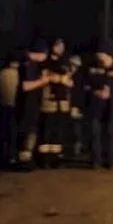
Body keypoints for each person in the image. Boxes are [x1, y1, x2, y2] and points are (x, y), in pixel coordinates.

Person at [83, 41, 113, 169]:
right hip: (95, 108)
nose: (100, 58)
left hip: (112, 109)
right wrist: (96, 92)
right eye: (98, 56)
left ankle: (110, 161)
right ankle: (96, 161)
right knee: (95, 134)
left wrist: (112, 95)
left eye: (102, 55)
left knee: (111, 135)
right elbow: (85, 87)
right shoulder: (92, 69)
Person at [38, 38, 74, 168]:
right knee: (46, 129)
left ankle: (56, 158)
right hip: (48, 101)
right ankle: (44, 158)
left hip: (62, 101)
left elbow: (70, 81)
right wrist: (58, 78)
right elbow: (46, 77)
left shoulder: (65, 63)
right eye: (58, 45)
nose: (61, 48)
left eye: (62, 46)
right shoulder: (45, 62)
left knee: (58, 130)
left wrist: (66, 81)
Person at [15, 40, 51, 169]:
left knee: (30, 130)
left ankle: (26, 158)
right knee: (28, 131)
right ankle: (24, 160)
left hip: (32, 104)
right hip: (27, 105)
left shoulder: (32, 65)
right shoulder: (28, 66)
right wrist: (42, 81)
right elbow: (25, 86)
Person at [0, 53, 20, 167]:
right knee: (13, 133)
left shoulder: (0, 74)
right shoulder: (19, 74)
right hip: (14, 108)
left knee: (1, 134)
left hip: (2, 107)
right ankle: (11, 157)